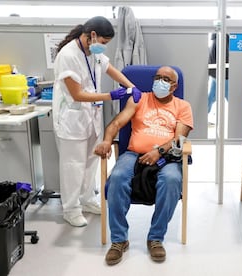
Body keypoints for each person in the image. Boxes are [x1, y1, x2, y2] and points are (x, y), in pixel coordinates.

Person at [94, 66, 193, 265]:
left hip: (166, 156)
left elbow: (180, 139)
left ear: (174, 86)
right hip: (133, 153)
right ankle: (119, 240)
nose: (160, 82)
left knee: (172, 180)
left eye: (166, 79)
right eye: (157, 77)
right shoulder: (139, 99)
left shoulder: (183, 106)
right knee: (118, 177)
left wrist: (159, 151)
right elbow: (116, 124)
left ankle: (156, 238)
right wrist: (106, 140)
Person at [53, 16, 141, 227]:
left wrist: (132, 87)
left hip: (91, 117)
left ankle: (87, 199)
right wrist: (111, 96)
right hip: (72, 118)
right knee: (73, 165)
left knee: (92, 160)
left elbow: (111, 70)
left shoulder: (94, 52)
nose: (103, 47)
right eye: (103, 42)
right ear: (92, 35)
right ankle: (71, 208)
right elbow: (77, 94)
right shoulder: (68, 56)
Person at [207, 33, 229, 116]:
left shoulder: (214, 39)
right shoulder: (223, 38)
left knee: (211, 96)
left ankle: (204, 115)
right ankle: (237, 119)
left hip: (214, 73)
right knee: (230, 97)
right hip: (224, 75)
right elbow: (226, 57)